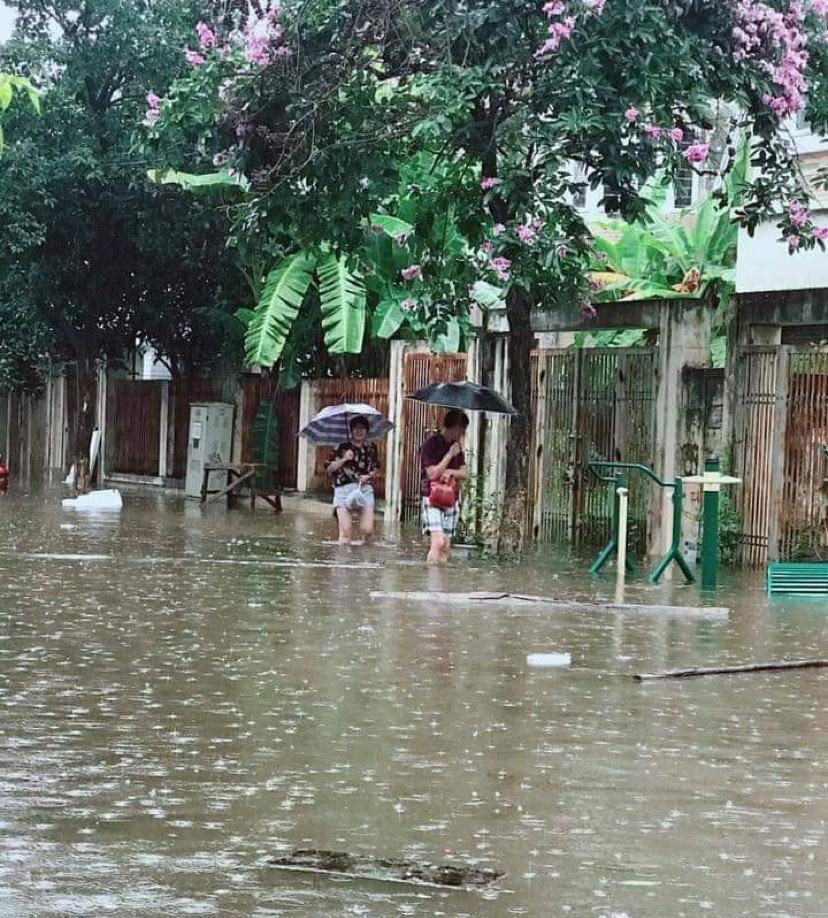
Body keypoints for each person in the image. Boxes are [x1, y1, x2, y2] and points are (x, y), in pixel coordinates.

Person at [420, 409, 469, 564]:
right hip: (432, 497)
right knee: (438, 542)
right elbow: (432, 474)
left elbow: (464, 472)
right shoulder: (430, 445)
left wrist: (451, 471)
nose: (463, 434)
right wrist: (449, 455)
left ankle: (441, 583)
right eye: (462, 430)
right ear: (456, 428)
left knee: (446, 545)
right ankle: (431, 584)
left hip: (451, 498)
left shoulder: (457, 447)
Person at [326, 415, 379, 545]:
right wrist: (344, 459)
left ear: (367, 431)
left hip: (363, 489)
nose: (359, 431)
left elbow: (375, 468)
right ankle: (343, 563)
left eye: (362, 428)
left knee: (368, 530)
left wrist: (369, 476)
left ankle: (364, 562)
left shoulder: (371, 448)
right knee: (346, 533)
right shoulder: (341, 447)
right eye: (356, 428)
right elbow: (329, 469)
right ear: (351, 430)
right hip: (343, 489)